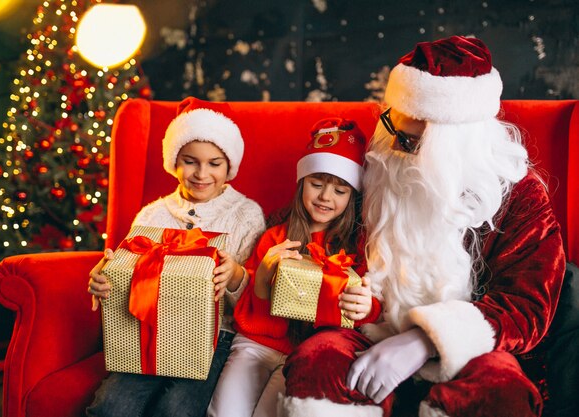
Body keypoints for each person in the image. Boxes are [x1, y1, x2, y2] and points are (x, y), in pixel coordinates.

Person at [280, 36, 566, 417]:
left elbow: (526, 307)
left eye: (412, 142)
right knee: (318, 362)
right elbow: (319, 235)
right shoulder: (381, 162)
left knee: (500, 390)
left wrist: (424, 340)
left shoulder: (517, 194)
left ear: (456, 143)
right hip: (368, 329)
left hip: (469, 350)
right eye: (392, 127)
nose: (395, 148)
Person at [86, 96, 266, 417]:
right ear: (174, 161)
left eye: (214, 163)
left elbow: (257, 302)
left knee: (177, 409)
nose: (201, 173)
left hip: (215, 338)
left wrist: (236, 275)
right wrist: (106, 279)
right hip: (148, 333)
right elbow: (126, 274)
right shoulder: (153, 215)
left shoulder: (246, 215)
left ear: (229, 167)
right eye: (190, 161)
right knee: (111, 406)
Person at [207, 118, 381, 417]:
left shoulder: (357, 247)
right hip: (257, 344)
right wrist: (262, 275)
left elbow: (367, 311)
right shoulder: (277, 236)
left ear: (353, 196)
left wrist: (367, 307)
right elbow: (257, 321)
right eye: (316, 184)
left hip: (303, 354)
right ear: (302, 183)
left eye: (340, 191)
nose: (326, 197)